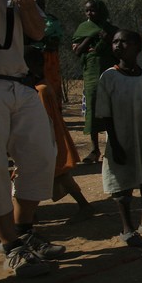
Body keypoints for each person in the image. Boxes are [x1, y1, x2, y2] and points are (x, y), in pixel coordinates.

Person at [0, 0, 62, 276]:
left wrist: (27, 1)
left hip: (18, 83)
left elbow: (36, 34)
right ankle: (9, 245)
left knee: (41, 156)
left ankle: (25, 231)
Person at [97, 30, 142, 246]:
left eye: (124, 42)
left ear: (137, 48)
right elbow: (105, 115)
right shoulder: (109, 77)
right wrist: (115, 143)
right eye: (115, 41)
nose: (119, 45)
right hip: (122, 138)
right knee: (122, 183)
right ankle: (127, 227)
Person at [26, 46, 94, 222]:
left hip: (47, 140)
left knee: (55, 173)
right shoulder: (39, 87)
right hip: (47, 140)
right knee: (55, 174)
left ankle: (27, 216)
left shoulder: (40, 90)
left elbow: (43, 120)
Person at [72, 0, 118, 163]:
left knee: (111, 109)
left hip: (110, 73)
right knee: (92, 108)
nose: (90, 13)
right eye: (87, 11)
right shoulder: (84, 28)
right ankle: (94, 149)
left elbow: (120, 51)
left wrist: (106, 40)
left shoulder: (112, 30)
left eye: (93, 10)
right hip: (91, 74)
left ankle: (111, 147)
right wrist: (90, 37)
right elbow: (77, 52)